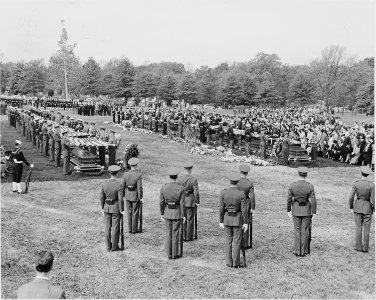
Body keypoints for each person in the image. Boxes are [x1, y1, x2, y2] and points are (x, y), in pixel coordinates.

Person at [219, 174, 249, 268]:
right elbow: (244, 209)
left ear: (230, 182)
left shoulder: (223, 193)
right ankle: (236, 263)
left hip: (227, 219)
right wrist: (246, 222)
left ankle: (229, 262)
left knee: (228, 241)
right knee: (237, 242)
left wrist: (221, 221)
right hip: (237, 220)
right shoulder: (241, 193)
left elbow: (221, 208)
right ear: (238, 182)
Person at [287, 167, 317, 257]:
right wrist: (314, 211)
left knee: (297, 230)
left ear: (298, 174)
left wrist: (288, 210)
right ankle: (304, 251)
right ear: (306, 175)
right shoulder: (310, 186)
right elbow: (313, 200)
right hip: (306, 210)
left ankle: (297, 251)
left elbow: (289, 199)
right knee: (305, 230)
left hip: (296, 209)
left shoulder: (293, 185)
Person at [160, 169, 186, 259]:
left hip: (167, 212)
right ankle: (174, 254)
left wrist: (162, 213)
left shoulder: (164, 187)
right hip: (177, 213)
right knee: (175, 233)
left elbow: (161, 202)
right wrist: (183, 215)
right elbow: (182, 203)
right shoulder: (181, 188)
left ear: (169, 177)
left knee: (168, 233)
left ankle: (169, 254)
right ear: (177, 177)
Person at [349, 166, 374, 253]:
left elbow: (351, 196)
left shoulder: (356, 183)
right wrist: (374, 209)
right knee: (367, 228)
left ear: (361, 173)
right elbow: (373, 199)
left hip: (358, 207)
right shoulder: (371, 184)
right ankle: (365, 247)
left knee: (358, 227)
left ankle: (358, 246)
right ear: (368, 175)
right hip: (367, 208)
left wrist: (351, 207)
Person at [100, 165, 124, 251]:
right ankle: (114, 247)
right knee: (115, 227)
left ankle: (108, 246)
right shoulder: (119, 185)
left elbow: (102, 197)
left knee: (107, 228)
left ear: (110, 173)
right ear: (117, 174)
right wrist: (122, 210)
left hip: (107, 208)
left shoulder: (104, 184)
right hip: (116, 208)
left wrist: (103, 208)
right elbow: (121, 198)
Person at [176, 162, 200, 241]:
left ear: (184, 169)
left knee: (182, 217)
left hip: (181, 200)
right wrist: (197, 201)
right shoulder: (193, 179)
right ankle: (188, 236)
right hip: (190, 201)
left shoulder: (179, 179)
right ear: (191, 169)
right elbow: (196, 192)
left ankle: (182, 235)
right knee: (190, 219)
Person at [120, 157, 143, 234]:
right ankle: (134, 229)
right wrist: (141, 197)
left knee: (129, 212)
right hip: (135, 195)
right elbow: (139, 187)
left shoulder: (125, 174)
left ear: (130, 165)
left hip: (127, 195)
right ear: (136, 165)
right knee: (135, 212)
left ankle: (130, 229)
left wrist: (123, 196)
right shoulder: (138, 175)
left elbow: (122, 186)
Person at [237, 164, 255, 249]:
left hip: (237, 202)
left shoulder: (236, 181)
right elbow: (252, 196)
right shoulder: (249, 183)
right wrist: (253, 208)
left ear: (240, 172)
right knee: (246, 221)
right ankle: (245, 243)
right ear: (247, 173)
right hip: (247, 203)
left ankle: (237, 241)